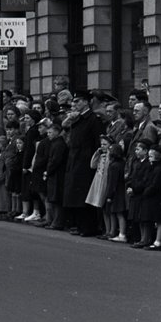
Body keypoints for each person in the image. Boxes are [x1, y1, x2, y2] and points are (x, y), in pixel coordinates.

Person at [61, 88, 104, 236]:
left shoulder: (93, 119)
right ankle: (80, 225)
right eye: (74, 101)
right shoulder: (76, 119)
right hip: (75, 159)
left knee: (85, 195)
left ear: (86, 102)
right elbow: (68, 134)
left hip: (86, 161)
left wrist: (95, 160)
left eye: (78, 101)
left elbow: (97, 142)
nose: (75, 104)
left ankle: (88, 227)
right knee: (75, 194)